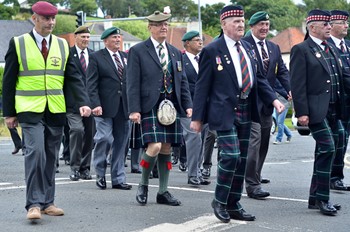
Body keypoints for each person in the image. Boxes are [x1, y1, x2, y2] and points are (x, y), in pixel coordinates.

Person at [190, 5, 284, 223]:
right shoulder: (212, 50)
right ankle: (220, 201)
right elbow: (202, 86)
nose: (241, 25)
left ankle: (233, 204)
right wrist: (197, 118)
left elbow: (259, 78)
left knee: (241, 160)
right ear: (224, 25)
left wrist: (274, 100)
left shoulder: (248, 49)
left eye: (242, 21)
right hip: (223, 112)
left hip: (246, 108)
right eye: (235, 22)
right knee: (231, 156)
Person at [2, 1, 91, 220]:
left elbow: (72, 77)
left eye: (53, 19)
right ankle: (33, 204)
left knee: (51, 157)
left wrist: (83, 101)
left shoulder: (62, 45)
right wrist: (9, 113)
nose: (50, 23)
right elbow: (9, 80)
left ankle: (47, 202)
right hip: (29, 110)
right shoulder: (19, 43)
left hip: (55, 110)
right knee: (36, 154)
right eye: (46, 19)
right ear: (34, 19)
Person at [126, 9, 192, 206]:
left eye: (166, 24)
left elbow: (183, 81)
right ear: (150, 27)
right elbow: (132, 82)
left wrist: (187, 105)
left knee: (166, 147)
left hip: (170, 105)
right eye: (159, 25)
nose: (164, 27)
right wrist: (134, 109)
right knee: (154, 146)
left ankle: (163, 191)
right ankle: (144, 183)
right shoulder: (138, 51)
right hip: (149, 105)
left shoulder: (174, 52)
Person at [290, 9, 346, 216]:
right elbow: (297, 84)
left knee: (330, 147)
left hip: (333, 109)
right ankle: (323, 199)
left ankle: (314, 198)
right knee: (328, 148)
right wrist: (302, 112)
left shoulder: (330, 48)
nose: (329, 27)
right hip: (314, 111)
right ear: (312, 27)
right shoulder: (301, 49)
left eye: (330, 24)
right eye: (325, 24)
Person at [243, 11, 291, 200]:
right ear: (252, 27)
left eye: (267, 24)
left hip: (267, 104)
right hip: (248, 103)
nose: (265, 28)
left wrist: (290, 89)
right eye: (261, 24)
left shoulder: (274, 47)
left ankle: (256, 174)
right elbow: (256, 77)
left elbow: (282, 72)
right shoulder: (244, 45)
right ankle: (252, 185)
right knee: (253, 143)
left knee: (263, 142)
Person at [87, 27, 131, 190]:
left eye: (119, 37)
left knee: (121, 143)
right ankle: (100, 172)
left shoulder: (126, 57)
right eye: (114, 38)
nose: (118, 40)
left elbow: (131, 83)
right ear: (105, 41)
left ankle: (118, 178)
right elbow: (91, 84)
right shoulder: (96, 57)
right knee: (104, 138)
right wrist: (95, 104)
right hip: (103, 108)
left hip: (124, 107)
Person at [65, 26, 95, 181]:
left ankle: (85, 168)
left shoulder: (93, 55)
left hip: (91, 104)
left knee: (89, 136)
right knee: (77, 131)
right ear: (75, 37)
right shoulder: (68, 54)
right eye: (83, 36)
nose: (86, 40)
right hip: (73, 104)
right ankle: (75, 168)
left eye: (88, 37)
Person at [181, 30, 210, 186]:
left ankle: (197, 171)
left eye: (201, 40)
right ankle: (192, 174)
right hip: (188, 107)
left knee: (202, 140)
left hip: (204, 106)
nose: (200, 42)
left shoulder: (204, 59)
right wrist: (187, 105)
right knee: (194, 138)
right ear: (187, 43)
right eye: (196, 40)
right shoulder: (181, 60)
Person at [328, 10, 350, 191]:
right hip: (333, 102)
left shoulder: (348, 46)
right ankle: (332, 176)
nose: (346, 26)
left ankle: (336, 176)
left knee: (344, 139)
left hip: (348, 103)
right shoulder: (324, 46)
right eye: (342, 22)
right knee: (337, 138)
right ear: (332, 24)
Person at [273, 79, 292, 144]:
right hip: (277, 104)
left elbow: (289, 95)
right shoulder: (275, 81)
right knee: (280, 122)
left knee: (280, 122)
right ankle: (289, 134)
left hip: (284, 104)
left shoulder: (285, 83)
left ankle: (278, 139)